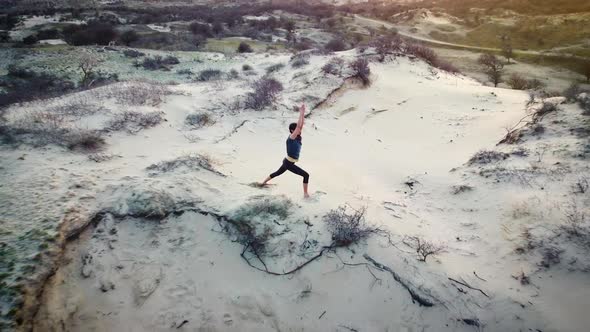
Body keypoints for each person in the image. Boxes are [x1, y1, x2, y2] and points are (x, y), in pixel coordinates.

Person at [261, 104, 310, 198]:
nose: (299, 130)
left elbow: (301, 126)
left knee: (277, 173)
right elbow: (299, 127)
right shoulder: (291, 138)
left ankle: (263, 183)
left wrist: (303, 114)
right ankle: (305, 194)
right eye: (296, 129)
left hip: (287, 161)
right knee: (306, 175)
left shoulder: (298, 136)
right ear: (292, 131)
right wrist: (301, 112)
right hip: (289, 163)